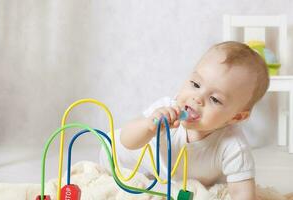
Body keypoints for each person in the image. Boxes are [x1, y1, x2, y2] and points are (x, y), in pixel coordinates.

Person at [100, 41, 269, 200]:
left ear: (236, 117)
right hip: (124, 160)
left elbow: (242, 193)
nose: (197, 98)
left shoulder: (233, 147)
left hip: (168, 179)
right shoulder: (166, 110)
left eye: (215, 99)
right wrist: (149, 126)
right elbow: (127, 141)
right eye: (196, 84)